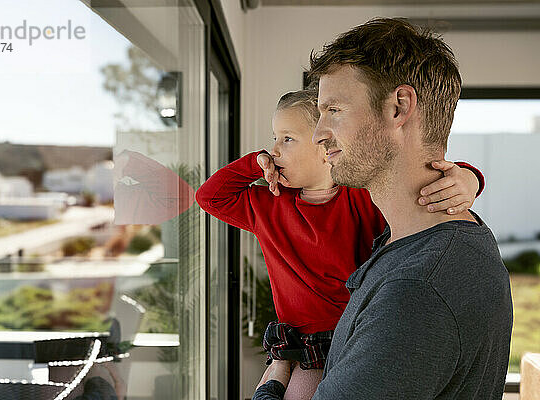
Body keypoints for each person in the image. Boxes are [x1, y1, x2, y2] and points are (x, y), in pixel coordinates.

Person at [253, 18, 513, 400]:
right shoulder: (417, 240)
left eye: (334, 110)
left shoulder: (416, 291)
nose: (320, 133)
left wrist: (271, 383)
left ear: (398, 107)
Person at [196, 91, 484, 398]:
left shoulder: (361, 198)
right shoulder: (267, 206)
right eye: (275, 138)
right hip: (292, 340)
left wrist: (470, 178)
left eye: (287, 139)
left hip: (347, 339)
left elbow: (420, 181)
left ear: (325, 147)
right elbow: (209, 197)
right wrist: (256, 164)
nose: (274, 150)